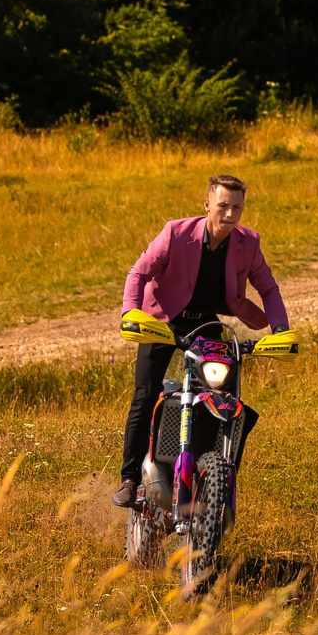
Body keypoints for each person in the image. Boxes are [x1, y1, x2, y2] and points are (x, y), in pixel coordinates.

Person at [113, 173, 289, 509]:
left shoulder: (247, 242)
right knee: (145, 393)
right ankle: (130, 479)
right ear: (207, 203)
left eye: (237, 207)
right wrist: (129, 315)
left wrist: (279, 330)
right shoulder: (176, 233)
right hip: (162, 320)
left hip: (206, 324)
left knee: (223, 397)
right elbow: (138, 273)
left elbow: (268, 288)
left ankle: (210, 469)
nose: (230, 214)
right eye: (223, 205)